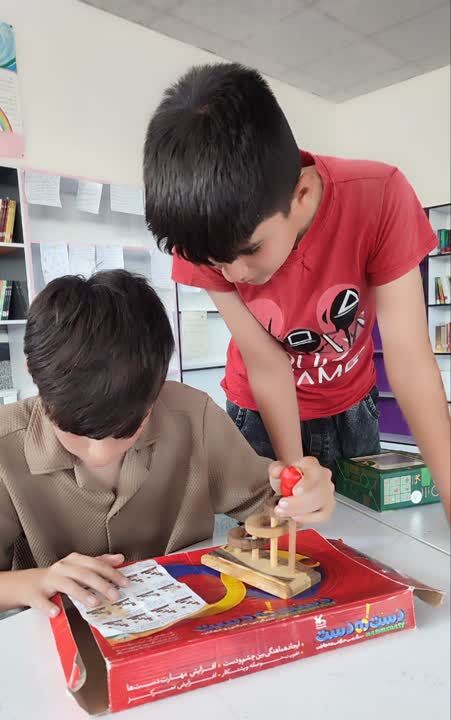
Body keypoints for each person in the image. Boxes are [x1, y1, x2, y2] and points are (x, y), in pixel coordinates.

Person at [143, 62, 450, 520]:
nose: (234, 275)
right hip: (259, 416)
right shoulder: (201, 235)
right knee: (282, 537)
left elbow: (408, 359)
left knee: (366, 540)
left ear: (302, 194)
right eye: (215, 263)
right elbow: (265, 361)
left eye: (250, 250)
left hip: (352, 408)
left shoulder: (380, 197)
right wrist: (295, 476)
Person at [0, 271, 334, 617]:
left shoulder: (192, 416)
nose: (100, 452)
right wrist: (34, 581)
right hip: (52, 633)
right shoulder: (5, 444)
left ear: (158, 387)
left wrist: (304, 496)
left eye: (126, 429)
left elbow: (271, 506)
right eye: (74, 431)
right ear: (34, 374)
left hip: (186, 620)